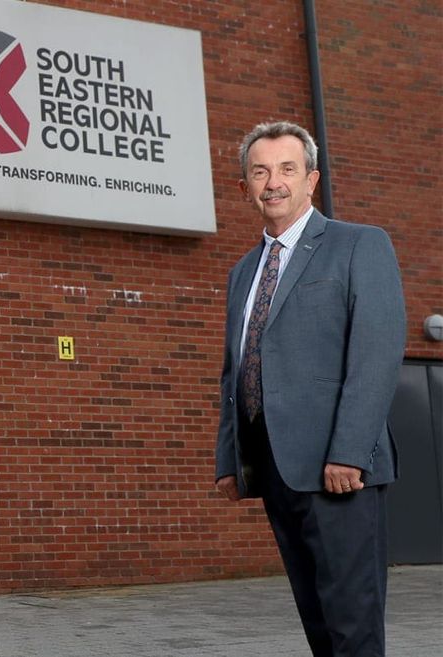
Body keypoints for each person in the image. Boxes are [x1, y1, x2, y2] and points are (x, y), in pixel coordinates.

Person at [214, 121, 405, 656]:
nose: (273, 182)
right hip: (276, 468)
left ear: (311, 179)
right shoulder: (242, 272)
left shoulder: (358, 245)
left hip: (339, 471)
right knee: (318, 622)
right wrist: (229, 460)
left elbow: (375, 355)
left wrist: (349, 452)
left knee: (353, 624)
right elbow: (235, 370)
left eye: (286, 169)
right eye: (260, 171)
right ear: (244, 186)